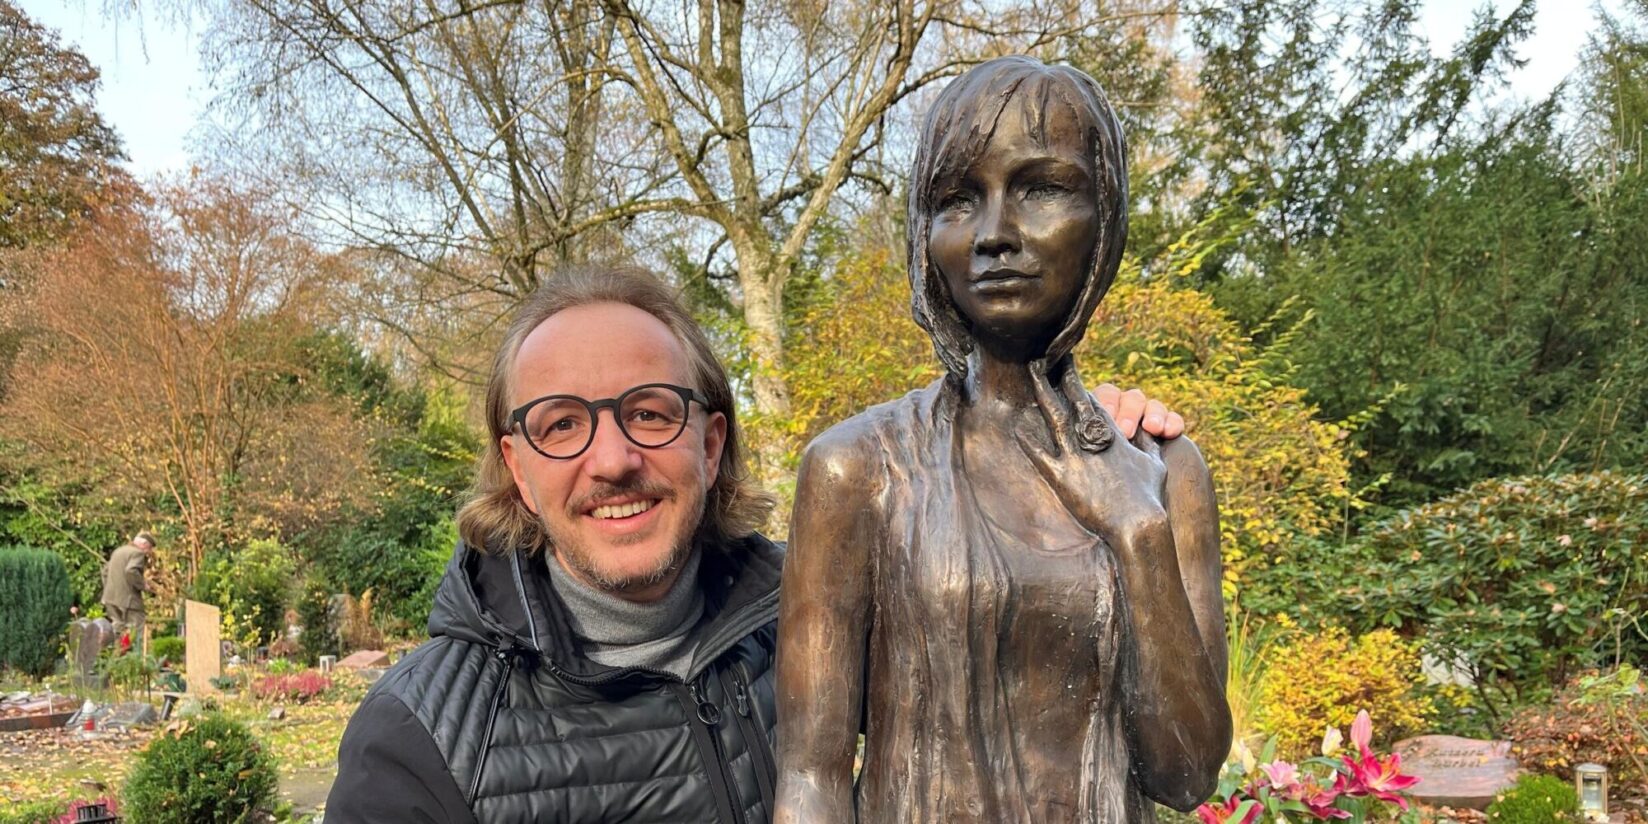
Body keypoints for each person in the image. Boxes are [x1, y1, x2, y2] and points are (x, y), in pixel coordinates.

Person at [326, 265, 1187, 823]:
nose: (614, 460)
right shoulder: (420, 740)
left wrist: (1067, 444)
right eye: (561, 426)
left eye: (651, 413)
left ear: (710, 444)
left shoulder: (830, 613)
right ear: (518, 469)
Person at [774, 57, 1230, 823]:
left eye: (1041, 189)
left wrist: (1136, 533)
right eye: (957, 200)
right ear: (924, 233)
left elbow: (1185, 778)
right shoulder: (857, 467)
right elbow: (812, 777)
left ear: (1104, 215)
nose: (995, 235)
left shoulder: (1162, 471)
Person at [100, 531, 155, 648]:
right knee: (138, 628)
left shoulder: (118, 551)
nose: (149, 552)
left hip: (110, 598)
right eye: (149, 548)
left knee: (117, 627)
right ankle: (138, 659)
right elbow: (131, 571)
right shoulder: (137, 553)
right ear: (144, 544)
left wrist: (110, 589)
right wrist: (142, 585)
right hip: (128, 600)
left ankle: (113, 657)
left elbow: (105, 572)